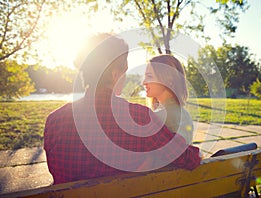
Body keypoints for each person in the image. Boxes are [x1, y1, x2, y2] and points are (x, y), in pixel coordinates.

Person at [44, 33, 201, 185]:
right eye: (124, 72)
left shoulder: (54, 121)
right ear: (114, 75)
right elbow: (188, 158)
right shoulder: (139, 118)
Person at [143, 54, 194, 144]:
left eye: (149, 76)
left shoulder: (158, 117)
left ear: (169, 80)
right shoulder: (185, 114)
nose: (144, 82)